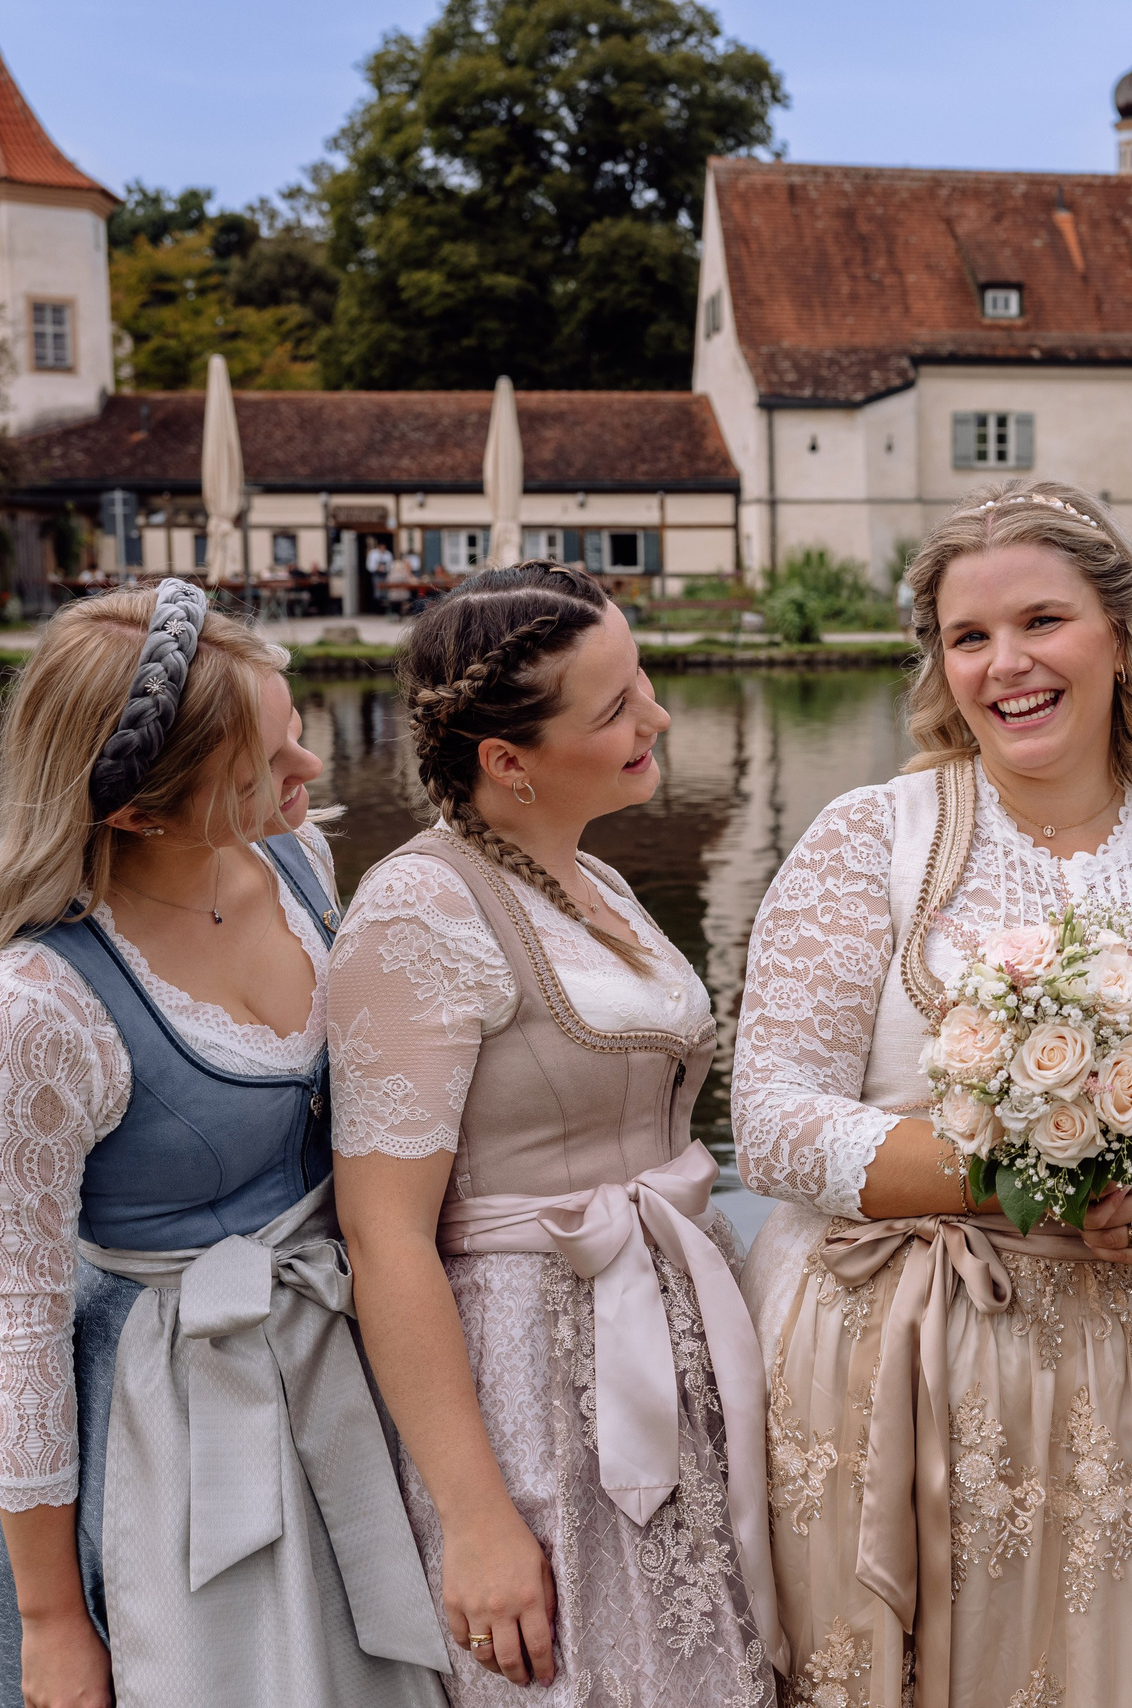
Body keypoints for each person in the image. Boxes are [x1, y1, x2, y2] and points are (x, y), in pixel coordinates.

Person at [730, 481, 1132, 1708]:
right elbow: (770, 1117)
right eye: (968, 637)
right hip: (890, 1360)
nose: (1007, 665)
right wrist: (1026, 1165)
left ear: (1122, 632)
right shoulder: (867, 838)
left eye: (1042, 621)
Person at [0, 579, 448, 1708]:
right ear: (139, 813)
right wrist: (57, 1619)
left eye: (292, 729)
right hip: (174, 1406)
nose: (309, 773)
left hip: (342, 1337)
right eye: (265, 766)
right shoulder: (32, 1005)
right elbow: (18, 1319)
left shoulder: (298, 865)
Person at [328, 562, 780, 1705]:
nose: (656, 717)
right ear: (506, 760)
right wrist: (479, 1518)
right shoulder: (418, 908)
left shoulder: (598, 881)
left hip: (671, 1323)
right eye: (616, 706)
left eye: (641, 684)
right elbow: (384, 1236)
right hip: (535, 1375)